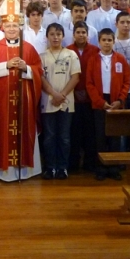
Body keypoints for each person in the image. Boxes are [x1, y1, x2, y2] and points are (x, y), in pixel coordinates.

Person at [0, 2, 43, 182]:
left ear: (20, 27)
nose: (12, 29)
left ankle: (27, 170)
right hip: (2, 103)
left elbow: (39, 71)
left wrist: (27, 68)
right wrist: (5, 65)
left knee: (24, 129)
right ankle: (4, 172)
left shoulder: (28, 48)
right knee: (3, 131)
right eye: (8, 26)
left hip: (24, 101)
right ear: (3, 27)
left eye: (15, 26)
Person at [86, 28, 130, 181]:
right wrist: (100, 102)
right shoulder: (93, 59)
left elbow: (126, 81)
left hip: (116, 102)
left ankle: (114, 168)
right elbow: (89, 83)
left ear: (114, 41)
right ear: (99, 42)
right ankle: (101, 168)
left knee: (115, 137)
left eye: (109, 40)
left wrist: (120, 100)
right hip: (100, 102)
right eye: (104, 40)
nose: (106, 43)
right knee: (100, 137)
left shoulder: (120, 59)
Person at [40, 23, 81, 180]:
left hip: (66, 101)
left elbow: (76, 77)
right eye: (52, 34)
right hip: (48, 101)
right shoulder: (42, 56)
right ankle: (50, 167)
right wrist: (53, 94)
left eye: (58, 34)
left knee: (64, 137)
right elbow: (41, 78)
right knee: (49, 137)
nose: (55, 37)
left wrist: (62, 94)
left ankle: (63, 167)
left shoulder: (71, 54)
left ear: (63, 36)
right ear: (47, 37)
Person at [66, 21, 99, 172]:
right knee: (74, 132)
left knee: (90, 132)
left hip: (90, 97)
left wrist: (88, 91)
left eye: (83, 32)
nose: (81, 35)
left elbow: (97, 74)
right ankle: (73, 164)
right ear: (73, 35)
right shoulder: (67, 50)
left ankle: (89, 163)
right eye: (78, 32)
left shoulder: (95, 50)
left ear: (88, 34)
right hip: (72, 96)